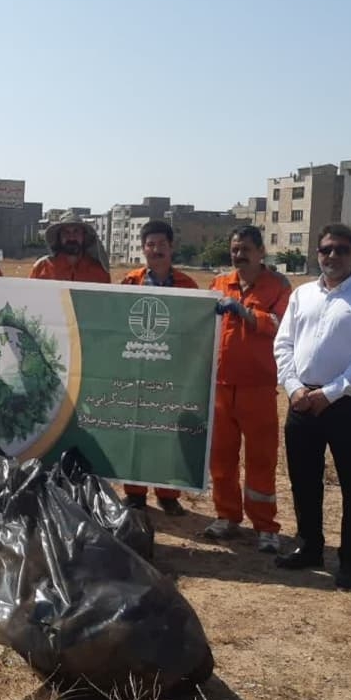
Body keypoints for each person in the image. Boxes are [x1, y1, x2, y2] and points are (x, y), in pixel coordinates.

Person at [272, 224, 351, 588]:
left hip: (347, 404)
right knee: (303, 479)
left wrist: (332, 393)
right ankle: (309, 545)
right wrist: (294, 387)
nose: (332, 256)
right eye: (326, 249)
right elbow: (283, 344)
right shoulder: (302, 294)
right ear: (317, 252)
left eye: (341, 250)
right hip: (301, 402)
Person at [205, 226, 292, 552]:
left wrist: (245, 312)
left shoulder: (279, 286)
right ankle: (227, 516)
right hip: (221, 386)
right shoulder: (219, 283)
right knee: (221, 459)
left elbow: (281, 325)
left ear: (260, 252)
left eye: (245, 249)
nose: (238, 255)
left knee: (261, 459)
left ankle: (265, 526)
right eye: (234, 249)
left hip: (258, 386)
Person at [120, 219, 199, 517]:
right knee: (136, 431)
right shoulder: (130, 282)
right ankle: (135, 493)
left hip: (173, 370)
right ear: (143, 249)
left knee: (169, 433)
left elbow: (197, 328)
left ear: (171, 247)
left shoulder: (188, 285)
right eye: (150, 245)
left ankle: (168, 495)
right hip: (138, 368)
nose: (156, 250)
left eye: (161, 244)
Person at [30, 212, 111, 283]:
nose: (71, 237)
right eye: (66, 232)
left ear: (84, 236)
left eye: (76, 231)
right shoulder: (42, 268)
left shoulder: (99, 272)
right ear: (59, 237)